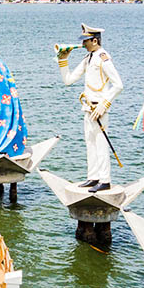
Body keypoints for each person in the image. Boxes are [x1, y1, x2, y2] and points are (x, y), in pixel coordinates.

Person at [56, 24, 123, 192]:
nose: (84, 44)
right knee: (90, 144)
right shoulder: (88, 58)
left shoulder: (103, 57)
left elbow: (118, 85)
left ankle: (104, 179)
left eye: (86, 41)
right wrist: (63, 60)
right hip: (88, 108)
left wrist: (104, 104)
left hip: (99, 109)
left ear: (94, 40)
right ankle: (93, 177)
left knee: (101, 144)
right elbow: (68, 80)